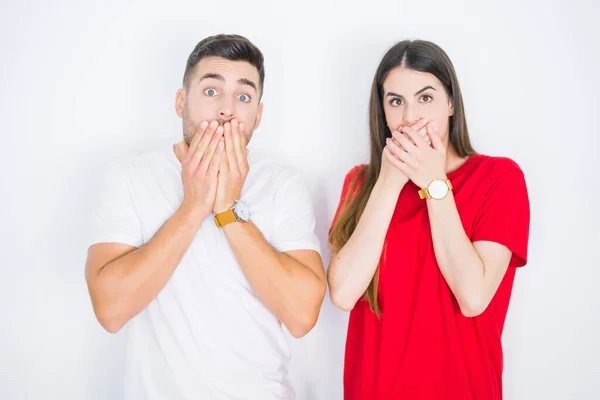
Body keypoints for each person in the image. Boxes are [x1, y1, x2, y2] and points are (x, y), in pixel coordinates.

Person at [84, 34, 326, 400]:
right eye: (211, 92)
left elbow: (302, 316)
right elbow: (111, 310)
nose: (226, 110)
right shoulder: (129, 178)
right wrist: (194, 205)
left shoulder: (282, 183)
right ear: (182, 101)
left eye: (243, 97)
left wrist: (228, 209)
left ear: (257, 116)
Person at [327, 39, 530, 400]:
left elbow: (473, 296)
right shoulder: (361, 184)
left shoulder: (499, 178)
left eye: (425, 98)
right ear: (383, 111)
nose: (409, 118)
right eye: (396, 102)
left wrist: (435, 184)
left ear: (451, 103)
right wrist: (389, 180)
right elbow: (343, 293)